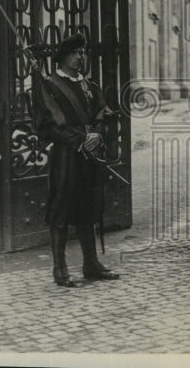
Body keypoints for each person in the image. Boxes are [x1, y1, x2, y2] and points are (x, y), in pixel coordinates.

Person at [34, 33, 121, 287]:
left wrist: (98, 135)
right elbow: (50, 124)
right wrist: (82, 139)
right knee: (61, 209)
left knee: (89, 207)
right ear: (62, 57)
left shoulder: (89, 86)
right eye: (75, 53)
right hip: (66, 156)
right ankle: (60, 269)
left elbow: (103, 114)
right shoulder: (50, 85)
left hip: (90, 156)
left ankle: (90, 264)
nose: (80, 57)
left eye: (83, 53)